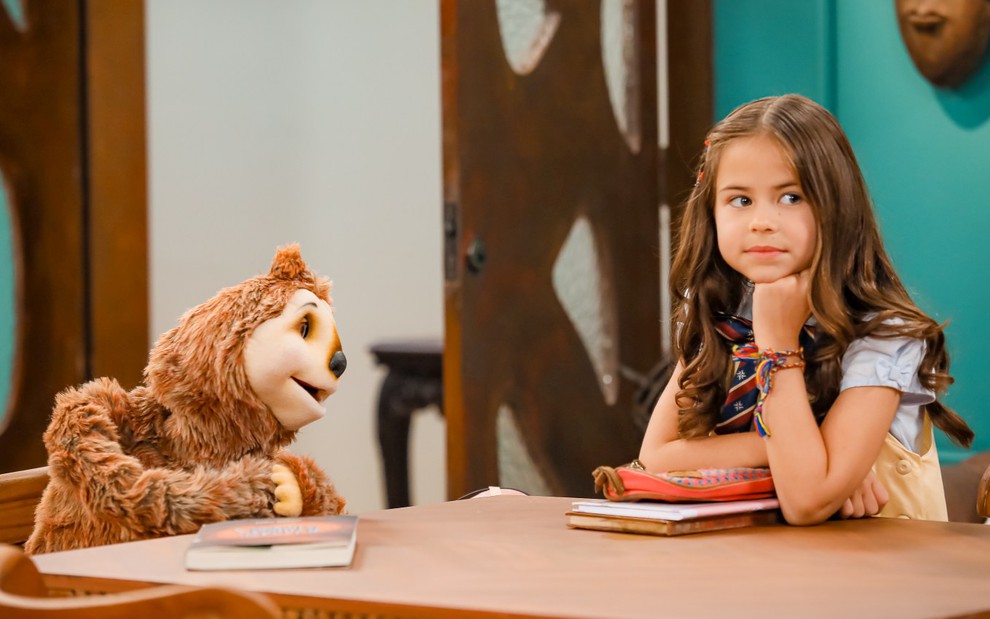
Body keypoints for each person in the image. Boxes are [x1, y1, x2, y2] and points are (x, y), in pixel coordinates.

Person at [638, 94, 974, 525]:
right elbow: (657, 458)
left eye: (791, 197)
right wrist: (801, 454)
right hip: (759, 567)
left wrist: (778, 341)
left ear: (836, 206)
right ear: (712, 212)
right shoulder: (717, 308)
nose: (762, 221)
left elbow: (807, 499)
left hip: (884, 574)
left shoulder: (884, 334)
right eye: (740, 200)